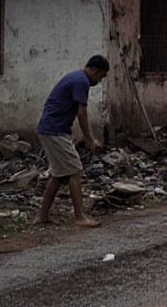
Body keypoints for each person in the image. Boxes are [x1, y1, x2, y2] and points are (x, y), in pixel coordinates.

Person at [34, 55, 110, 228]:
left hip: (51, 129)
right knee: (75, 171)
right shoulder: (81, 81)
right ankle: (80, 216)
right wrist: (90, 139)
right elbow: (81, 112)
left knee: (59, 175)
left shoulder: (76, 77)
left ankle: (42, 215)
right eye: (102, 76)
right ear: (96, 71)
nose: (100, 81)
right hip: (55, 130)